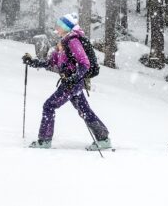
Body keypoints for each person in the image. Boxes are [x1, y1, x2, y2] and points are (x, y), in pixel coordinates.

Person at [22, 13, 111, 150]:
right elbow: (51, 62)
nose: (57, 26)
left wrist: (73, 79)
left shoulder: (72, 41)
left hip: (71, 84)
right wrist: (32, 62)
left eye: (60, 24)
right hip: (71, 83)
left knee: (49, 106)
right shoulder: (63, 42)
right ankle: (103, 139)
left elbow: (84, 63)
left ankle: (44, 141)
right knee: (84, 110)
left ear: (66, 27)